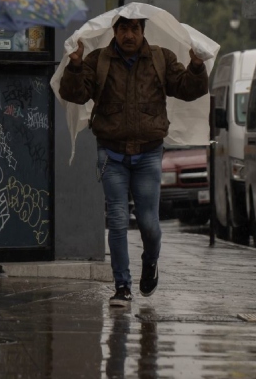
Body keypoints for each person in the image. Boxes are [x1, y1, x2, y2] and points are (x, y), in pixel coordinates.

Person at [58, 16, 209, 307]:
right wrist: (75, 64)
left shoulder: (161, 58)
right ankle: (122, 286)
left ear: (142, 32)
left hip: (149, 153)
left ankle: (150, 261)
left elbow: (187, 89)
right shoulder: (98, 60)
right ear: (114, 32)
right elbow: (74, 94)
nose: (129, 35)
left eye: (135, 29)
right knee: (116, 219)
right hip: (110, 153)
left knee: (148, 223)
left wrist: (196, 66)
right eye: (124, 29)